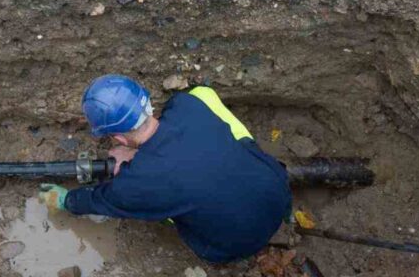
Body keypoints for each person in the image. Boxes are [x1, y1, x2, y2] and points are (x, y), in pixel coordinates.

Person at [38, 74, 292, 263]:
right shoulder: (186, 105)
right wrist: (138, 157)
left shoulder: (136, 185)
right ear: (145, 102)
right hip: (278, 193)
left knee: (163, 201)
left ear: (118, 139)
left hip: (232, 246)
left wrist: (64, 199)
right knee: (205, 98)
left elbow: (100, 200)